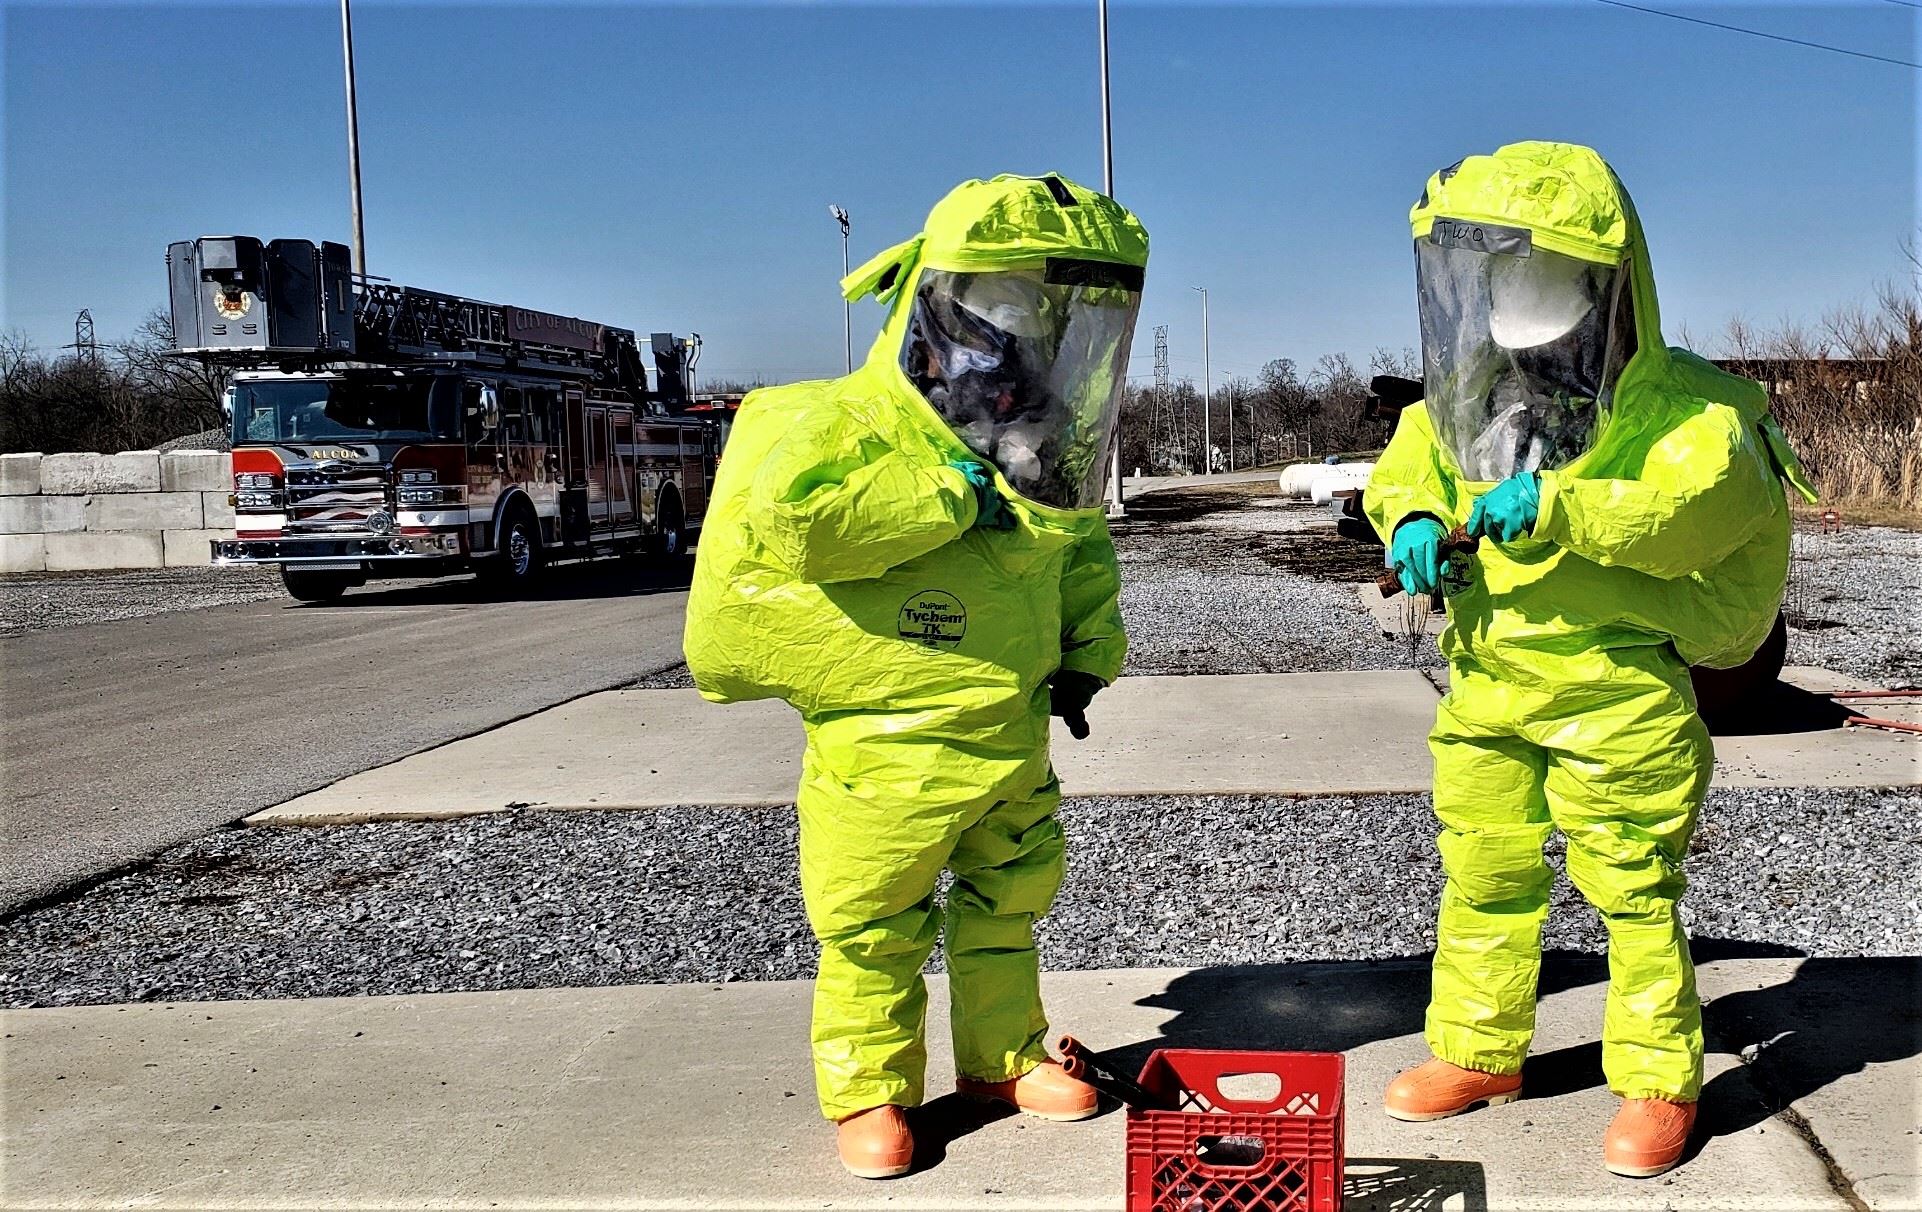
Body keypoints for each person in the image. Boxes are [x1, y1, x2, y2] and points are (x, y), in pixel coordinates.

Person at [1365, 142, 1815, 1178]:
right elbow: (1406, 466)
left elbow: (1695, 508)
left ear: (1602, 288)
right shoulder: (1471, 393)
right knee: (1481, 875)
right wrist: (1413, 520)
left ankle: (1659, 1082)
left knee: (1631, 889)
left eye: (1547, 283)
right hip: (1487, 681)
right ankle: (1477, 1052)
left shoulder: (1680, 408)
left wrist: (1561, 503)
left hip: (1615, 687)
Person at [684, 173, 1147, 1179]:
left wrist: (1084, 657)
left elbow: (1076, 550)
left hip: (1005, 727)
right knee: (871, 922)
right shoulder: (839, 424)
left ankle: (1004, 1056)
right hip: (881, 744)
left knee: (1005, 903)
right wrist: (946, 497)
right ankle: (871, 1095)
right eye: (1007, 315)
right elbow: (801, 527)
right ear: (935, 309)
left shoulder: (1035, 443)